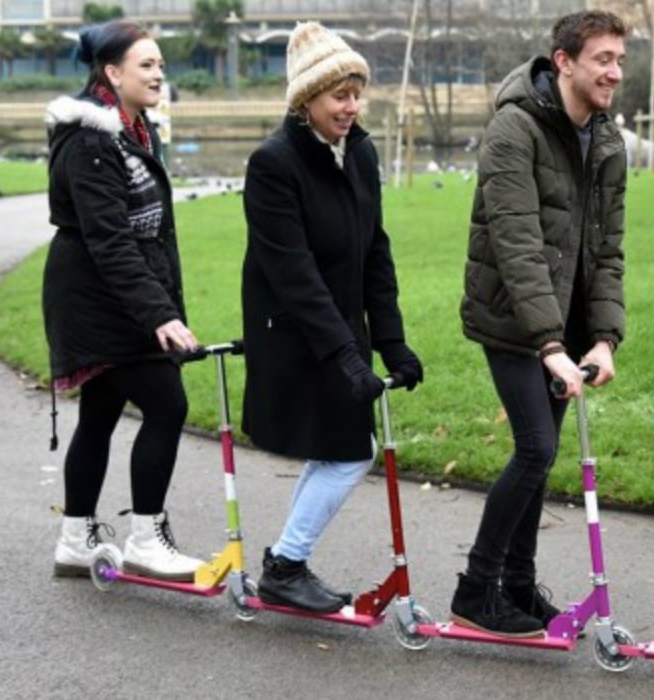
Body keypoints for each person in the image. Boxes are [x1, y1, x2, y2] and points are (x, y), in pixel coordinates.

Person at [451, 10, 629, 638]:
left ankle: (519, 589)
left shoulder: (607, 140)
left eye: (619, 60)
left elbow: (608, 249)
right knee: (536, 448)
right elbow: (516, 244)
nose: (613, 72)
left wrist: (603, 337)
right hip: (512, 317)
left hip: (568, 324)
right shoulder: (513, 129)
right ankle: (477, 589)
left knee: (540, 454)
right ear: (564, 62)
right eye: (602, 59)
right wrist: (549, 345)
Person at [240, 21, 423, 614]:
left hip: (341, 331)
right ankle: (287, 564)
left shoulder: (360, 153)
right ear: (305, 100)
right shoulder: (273, 164)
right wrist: (346, 353)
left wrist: (391, 343)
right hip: (296, 335)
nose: (351, 106)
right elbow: (293, 273)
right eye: (338, 96)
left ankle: (283, 564)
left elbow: (375, 251)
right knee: (350, 451)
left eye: (356, 93)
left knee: (336, 449)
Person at [44, 20, 204, 581]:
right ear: (112, 72)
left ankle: (74, 537)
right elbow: (110, 240)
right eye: (147, 65)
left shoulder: (135, 130)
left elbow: (152, 233)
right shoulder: (90, 141)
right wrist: (159, 313)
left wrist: (166, 301)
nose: (160, 74)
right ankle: (145, 538)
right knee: (167, 403)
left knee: (103, 410)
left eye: (161, 64)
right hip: (94, 296)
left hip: (115, 291)